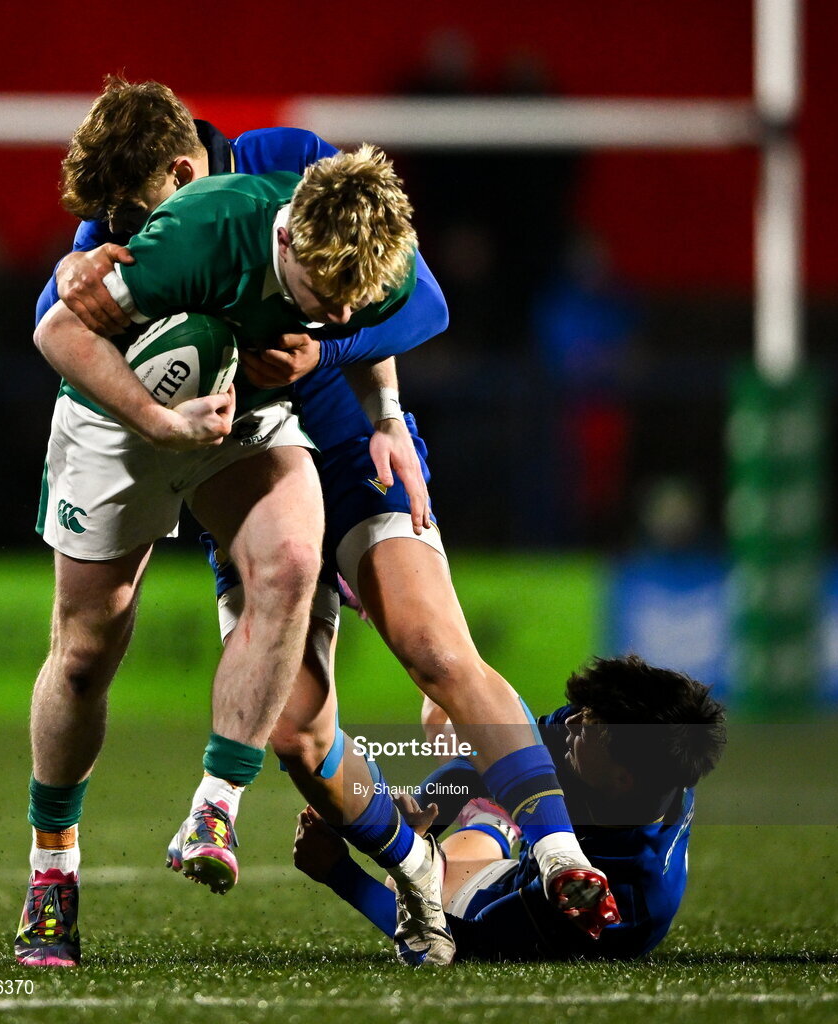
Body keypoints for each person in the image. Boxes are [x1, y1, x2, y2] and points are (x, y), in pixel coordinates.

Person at [42, 76, 622, 966]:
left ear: (183, 171)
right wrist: (70, 281)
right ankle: (415, 865)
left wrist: (359, 384)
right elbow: (61, 317)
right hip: (246, 448)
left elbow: (407, 296)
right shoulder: (153, 218)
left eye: (130, 213)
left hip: (348, 441)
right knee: (299, 734)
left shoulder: (294, 164)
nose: (122, 230)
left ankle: (560, 854)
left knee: (436, 651)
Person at [15, 87, 420, 969]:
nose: (337, 318)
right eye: (322, 301)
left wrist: (385, 410)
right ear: (288, 244)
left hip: (238, 411)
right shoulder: (197, 229)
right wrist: (160, 422)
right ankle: (53, 872)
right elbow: (56, 332)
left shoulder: (341, 239)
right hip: (119, 412)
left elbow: (388, 311)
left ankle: (216, 804)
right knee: (84, 654)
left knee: (292, 561)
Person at [294, 655, 727, 961]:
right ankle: (498, 819)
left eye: (587, 727)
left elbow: (458, 944)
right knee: (461, 727)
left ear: (622, 778)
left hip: (543, 913)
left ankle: (498, 821)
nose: (571, 722)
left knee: (403, 884)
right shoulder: (635, 762)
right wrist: (421, 819)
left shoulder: (618, 897)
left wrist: (339, 872)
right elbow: (493, 761)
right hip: (534, 865)